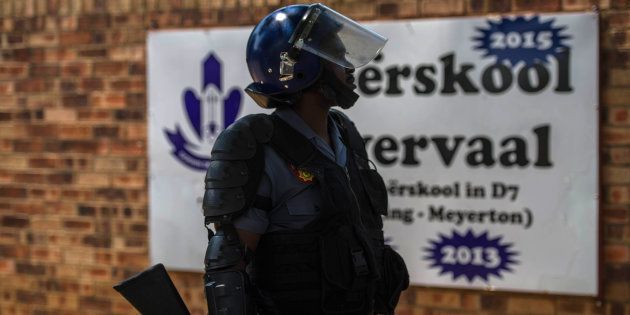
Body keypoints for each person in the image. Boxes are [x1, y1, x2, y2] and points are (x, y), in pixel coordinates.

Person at [202, 4, 409, 315]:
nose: (348, 67)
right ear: (300, 66)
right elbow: (228, 266)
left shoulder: (344, 134)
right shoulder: (257, 145)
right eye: (335, 54)